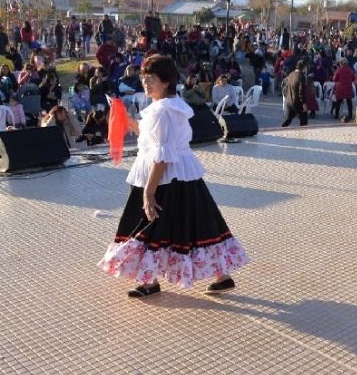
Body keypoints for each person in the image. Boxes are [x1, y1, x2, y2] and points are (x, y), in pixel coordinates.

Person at [98, 54, 249, 298]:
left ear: (165, 82)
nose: (146, 83)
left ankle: (149, 282)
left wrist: (149, 191)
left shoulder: (163, 111)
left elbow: (162, 155)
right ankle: (221, 277)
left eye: (152, 79)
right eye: (144, 78)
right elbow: (152, 138)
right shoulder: (169, 106)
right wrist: (125, 119)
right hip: (182, 176)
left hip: (165, 178)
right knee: (197, 225)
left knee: (150, 227)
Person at [282, 60, 308, 127]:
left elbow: (286, 87)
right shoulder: (301, 76)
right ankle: (301, 135)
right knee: (304, 121)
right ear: (304, 67)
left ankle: (280, 131)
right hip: (296, 102)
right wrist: (304, 103)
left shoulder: (291, 74)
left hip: (289, 100)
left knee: (288, 119)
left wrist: (286, 97)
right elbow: (301, 91)